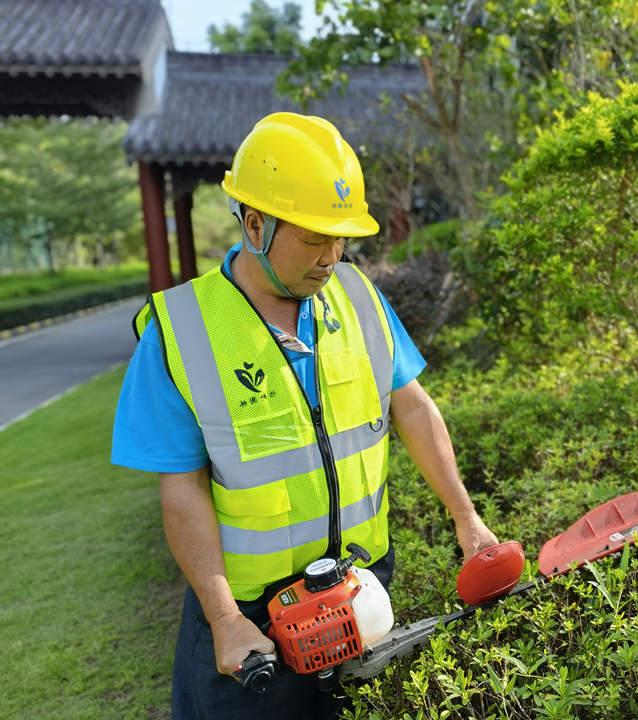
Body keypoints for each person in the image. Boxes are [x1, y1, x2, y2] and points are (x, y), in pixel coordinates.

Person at [110, 112, 498, 719]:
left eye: (340, 237)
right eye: (315, 238)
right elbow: (181, 489)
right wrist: (222, 619)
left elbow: (413, 408)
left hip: (362, 591)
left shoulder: (360, 297)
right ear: (256, 223)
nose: (332, 256)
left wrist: (467, 519)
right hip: (253, 624)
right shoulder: (180, 332)